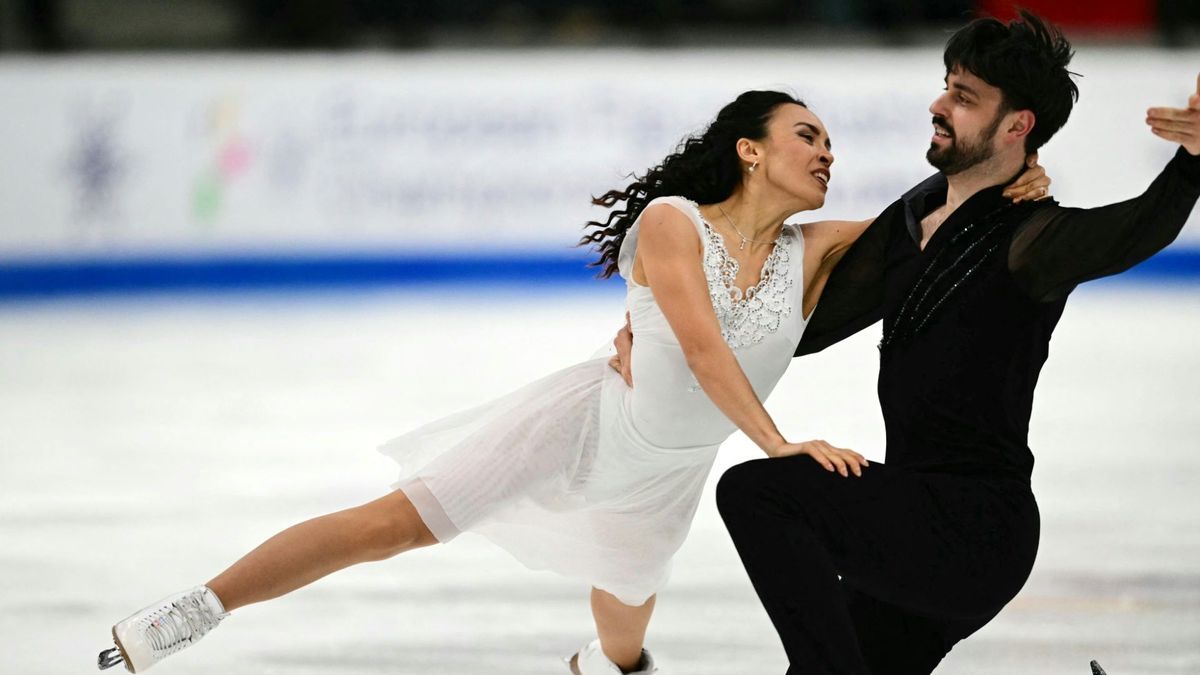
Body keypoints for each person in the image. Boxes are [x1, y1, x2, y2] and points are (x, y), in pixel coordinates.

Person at [95, 90, 1049, 675]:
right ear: (750, 150)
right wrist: (780, 446)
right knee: (392, 525)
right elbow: (706, 351)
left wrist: (1015, 175)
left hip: (665, 479)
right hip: (586, 426)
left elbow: (929, 220)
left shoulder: (820, 251)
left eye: (831, 141)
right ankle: (193, 610)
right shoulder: (678, 220)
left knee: (625, 646)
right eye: (807, 134)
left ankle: (599, 665)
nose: (826, 151)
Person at [611, 11, 1198, 675]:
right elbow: (794, 330)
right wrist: (660, 328)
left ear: (1017, 126)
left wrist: (1190, 168)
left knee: (760, 494)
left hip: (975, 528)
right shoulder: (914, 219)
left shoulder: (1031, 240)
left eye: (964, 98)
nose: (938, 105)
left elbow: (1131, 230)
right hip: (915, 519)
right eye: (947, 86)